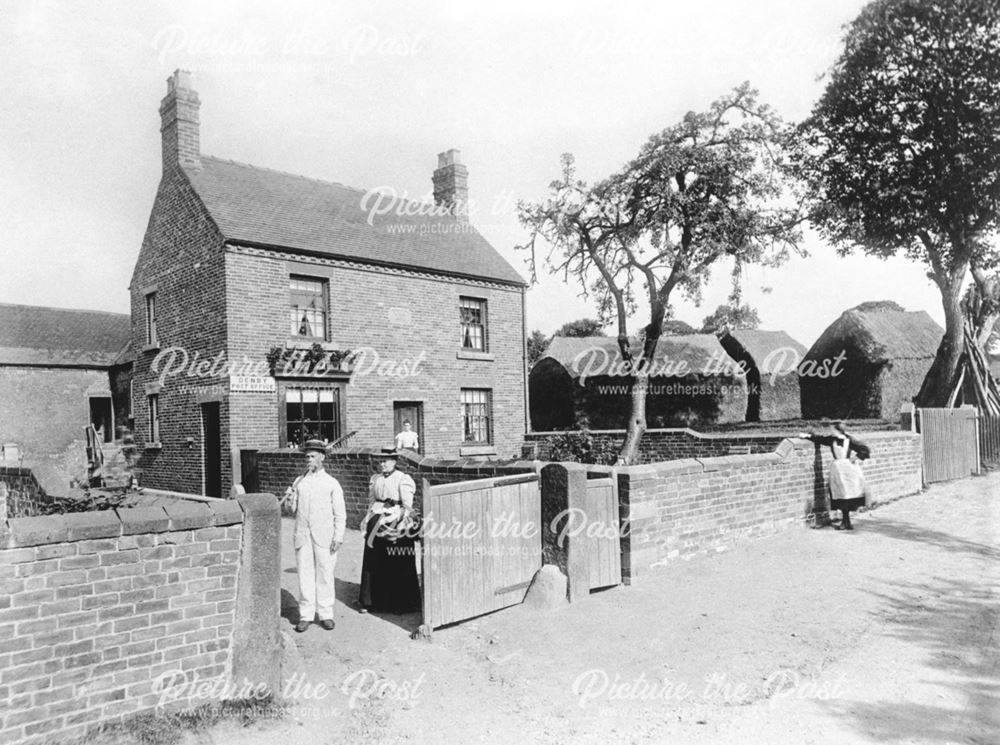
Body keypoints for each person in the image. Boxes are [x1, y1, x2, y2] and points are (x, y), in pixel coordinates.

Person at [285, 439, 346, 632]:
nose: (308, 460)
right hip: (303, 536)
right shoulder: (299, 481)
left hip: (325, 537)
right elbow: (292, 510)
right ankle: (306, 615)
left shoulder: (331, 483)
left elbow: (340, 514)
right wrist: (289, 497)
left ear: (322, 458)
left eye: (312, 457)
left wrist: (338, 537)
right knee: (305, 574)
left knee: (325, 575)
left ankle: (326, 614)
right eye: (307, 457)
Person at [358, 447, 422, 614]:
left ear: (394, 461)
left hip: (395, 519)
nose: (382, 464)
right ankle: (371, 601)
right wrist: (367, 519)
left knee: (396, 561)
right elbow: (371, 502)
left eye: (385, 461)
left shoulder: (403, 479)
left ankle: (399, 603)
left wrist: (401, 524)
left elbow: (407, 505)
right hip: (376, 519)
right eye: (380, 461)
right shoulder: (375, 478)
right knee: (374, 560)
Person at [799, 421, 871, 530]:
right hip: (837, 470)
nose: (831, 431)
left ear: (838, 430)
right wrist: (807, 436)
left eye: (833, 430)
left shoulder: (849, 439)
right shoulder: (831, 439)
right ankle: (845, 521)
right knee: (840, 494)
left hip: (848, 469)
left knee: (848, 494)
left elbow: (865, 449)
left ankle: (846, 521)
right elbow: (820, 439)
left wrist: (855, 458)